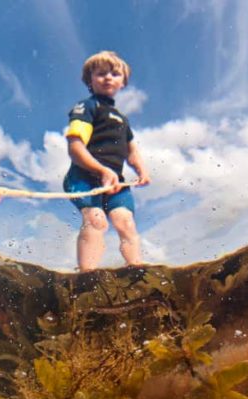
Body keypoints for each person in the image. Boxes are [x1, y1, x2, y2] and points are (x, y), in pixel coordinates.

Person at [63, 51, 151, 271]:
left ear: (123, 82)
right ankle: (86, 275)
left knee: (126, 223)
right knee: (96, 219)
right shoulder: (87, 107)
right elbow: (75, 147)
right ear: (90, 80)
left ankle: (136, 270)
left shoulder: (123, 120)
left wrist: (142, 171)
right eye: (101, 74)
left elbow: (132, 152)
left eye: (114, 74)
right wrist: (101, 169)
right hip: (84, 177)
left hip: (115, 183)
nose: (108, 77)